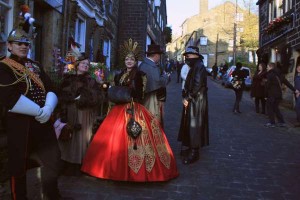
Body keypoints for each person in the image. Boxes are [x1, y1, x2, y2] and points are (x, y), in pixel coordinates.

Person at [81, 39, 179, 181]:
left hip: (133, 108)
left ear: (135, 61)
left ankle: (137, 172)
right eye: (127, 59)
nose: (129, 61)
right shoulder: (119, 75)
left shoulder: (139, 75)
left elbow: (141, 94)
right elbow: (114, 89)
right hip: (118, 108)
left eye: (131, 59)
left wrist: (132, 91)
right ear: (124, 60)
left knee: (136, 138)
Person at [0, 6, 63, 199]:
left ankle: (52, 196)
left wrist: (48, 108)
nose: (23, 46)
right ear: (9, 46)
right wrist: (38, 110)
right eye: (18, 43)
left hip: (42, 123)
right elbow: (8, 97)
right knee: (18, 167)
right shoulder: (3, 66)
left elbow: (52, 88)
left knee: (53, 161)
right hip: (20, 124)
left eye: (26, 44)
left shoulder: (35, 66)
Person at [56, 55, 103, 175]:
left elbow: (98, 96)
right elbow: (61, 93)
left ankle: (80, 164)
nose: (85, 66)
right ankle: (67, 162)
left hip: (84, 112)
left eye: (87, 65)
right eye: (83, 64)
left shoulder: (91, 80)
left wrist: (84, 97)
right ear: (77, 65)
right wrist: (68, 100)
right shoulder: (68, 79)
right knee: (69, 136)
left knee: (82, 138)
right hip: (70, 110)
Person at [177, 46, 209, 165]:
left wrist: (188, 97)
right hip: (193, 99)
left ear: (196, 55)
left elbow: (197, 84)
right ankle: (190, 148)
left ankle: (194, 152)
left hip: (197, 101)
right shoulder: (195, 66)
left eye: (189, 55)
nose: (187, 57)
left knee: (194, 125)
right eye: (186, 55)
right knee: (189, 124)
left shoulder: (199, 66)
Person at [139, 44, 170, 125]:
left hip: (146, 97)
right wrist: (166, 76)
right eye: (159, 55)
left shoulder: (144, 64)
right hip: (151, 98)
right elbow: (159, 82)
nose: (159, 57)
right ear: (156, 55)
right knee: (152, 120)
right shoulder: (151, 66)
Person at [264, 62, 298, 128]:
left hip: (271, 95)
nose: (267, 68)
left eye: (267, 67)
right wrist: (295, 90)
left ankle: (272, 123)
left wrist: (265, 95)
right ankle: (281, 122)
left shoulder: (270, 74)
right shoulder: (281, 75)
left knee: (270, 108)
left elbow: (267, 86)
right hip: (279, 95)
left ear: (271, 67)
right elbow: (287, 83)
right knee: (276, 108)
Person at [294, 61, 300, 127]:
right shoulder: (296, 76)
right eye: (298, 67)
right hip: (296, 94)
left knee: (297, 107)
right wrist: (295, 91)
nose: (298, 69)